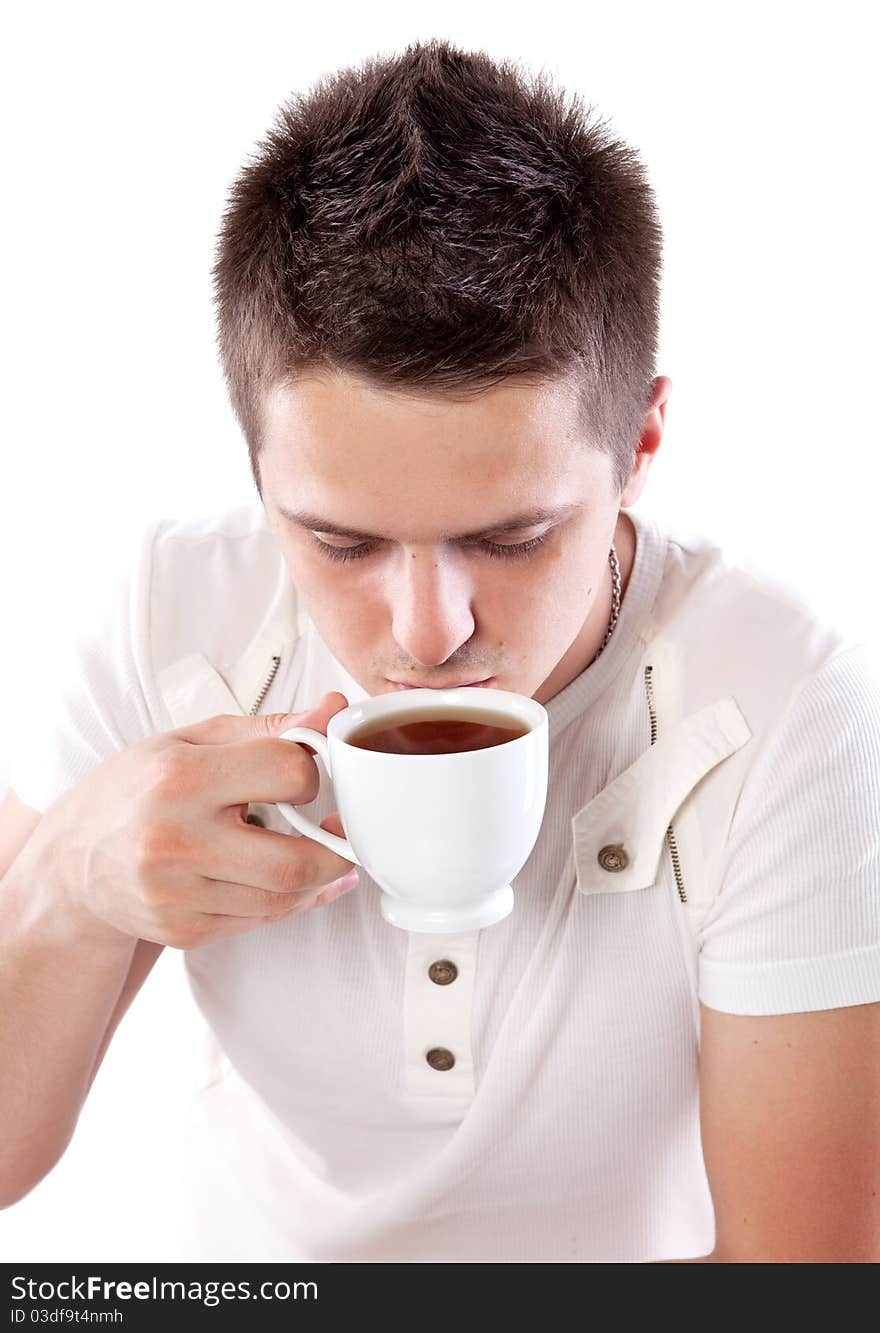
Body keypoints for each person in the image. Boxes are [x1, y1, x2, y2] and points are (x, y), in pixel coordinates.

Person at [1, 37, 878, 1264]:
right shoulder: (169, 617)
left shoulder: (781, 702)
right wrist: (70, 888)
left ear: (642, 442)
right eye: (340, 543)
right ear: (254, 467)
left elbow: (800, 1274)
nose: (425, 632)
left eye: (513, 536)